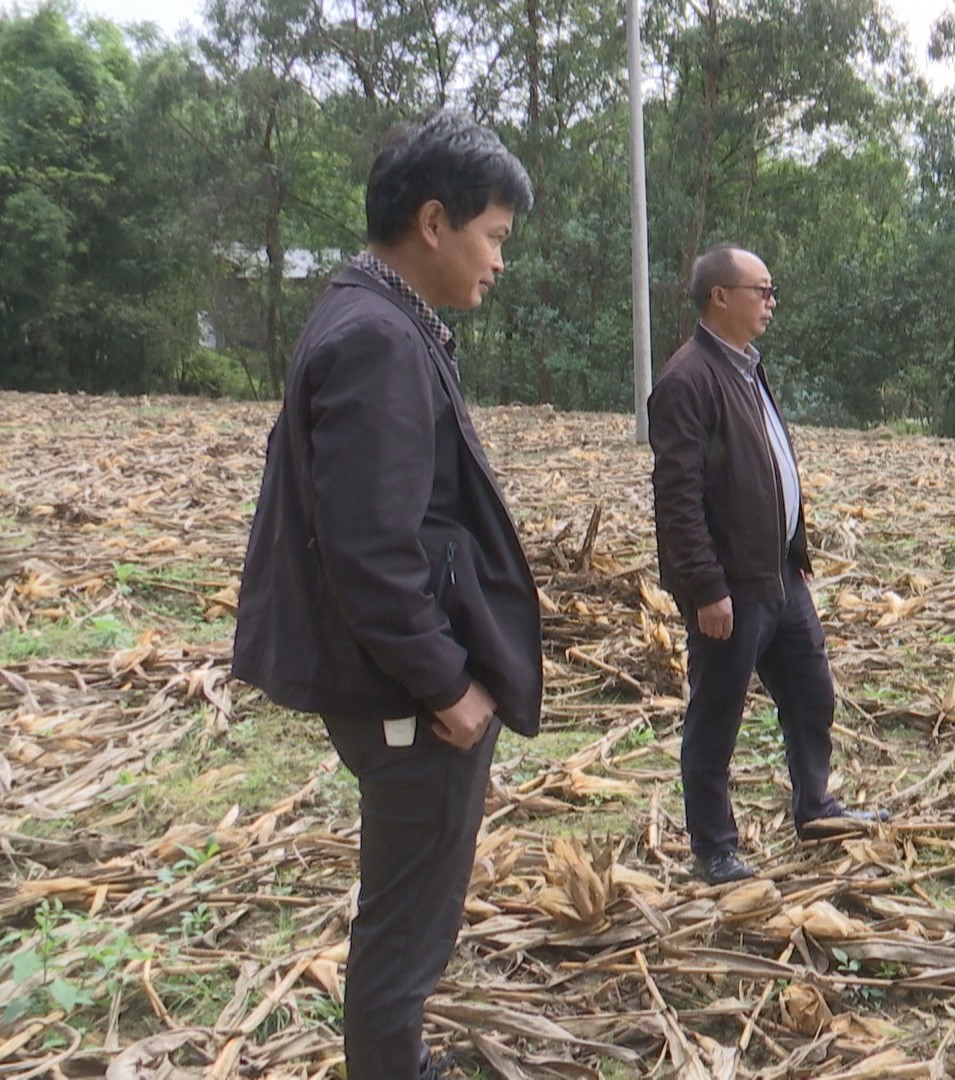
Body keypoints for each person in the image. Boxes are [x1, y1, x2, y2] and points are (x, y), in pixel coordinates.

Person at [232, 109, 541, 1080]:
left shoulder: (375, 316)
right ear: (436, 221)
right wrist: (448, 687)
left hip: (404, 688)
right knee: (403, 930)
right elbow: (369, 550)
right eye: (494, 237)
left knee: (408, 916)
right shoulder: (376, 336)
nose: (499, 261)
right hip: (407, 698)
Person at [648, 244, 888, 886]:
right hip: (730, 587)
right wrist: (706, 588)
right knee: (717, 715)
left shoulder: (745, 368)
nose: (771, 302)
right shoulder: (688, 380)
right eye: (763, 290)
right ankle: (715, 847)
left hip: (779, 577)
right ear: (720, 297)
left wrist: (795, 553)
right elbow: (678, 501)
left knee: (812, 695)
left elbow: (770, 469)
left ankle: (815, 805)